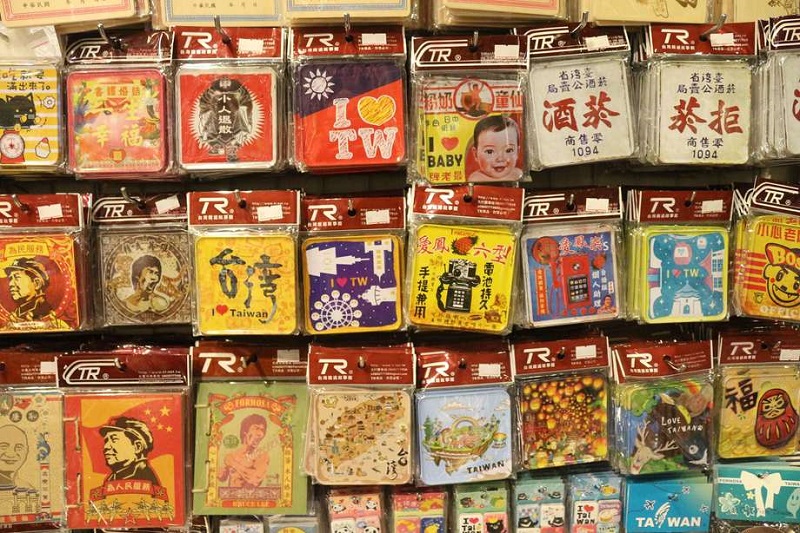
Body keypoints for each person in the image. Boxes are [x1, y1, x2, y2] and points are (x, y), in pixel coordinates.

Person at [4, 257, 66, 327]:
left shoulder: (45, 311)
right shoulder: (18, 312)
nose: (11, 284)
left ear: (37, 284)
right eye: (10, 278)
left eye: (17, 277)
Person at [100, 416, 160, 485]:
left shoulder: (145, 477)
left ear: (137, 447)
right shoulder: (111, 479)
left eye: (114, 440)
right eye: (106, 441)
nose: (106, 447)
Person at [467, 115, 524, 182]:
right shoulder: (476, 178)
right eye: (490, 151)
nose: (500, 159)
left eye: (508, 150)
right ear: (476, 154)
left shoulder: (518, 174)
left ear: (517, 152)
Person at [220, 414, 270, 488]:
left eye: (262, 430)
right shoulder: (233, 455)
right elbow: (222, 478)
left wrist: (233, 463)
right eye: (256, 428)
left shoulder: (262, 455)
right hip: (231, 495)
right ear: (245, 431)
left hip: (251, 495)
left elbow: (254, 480)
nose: (260, 434)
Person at [0, 426, 31, 491]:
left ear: (27, 451)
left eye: (19, 447)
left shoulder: (27, 488)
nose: (11, 454)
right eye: (3, 446)